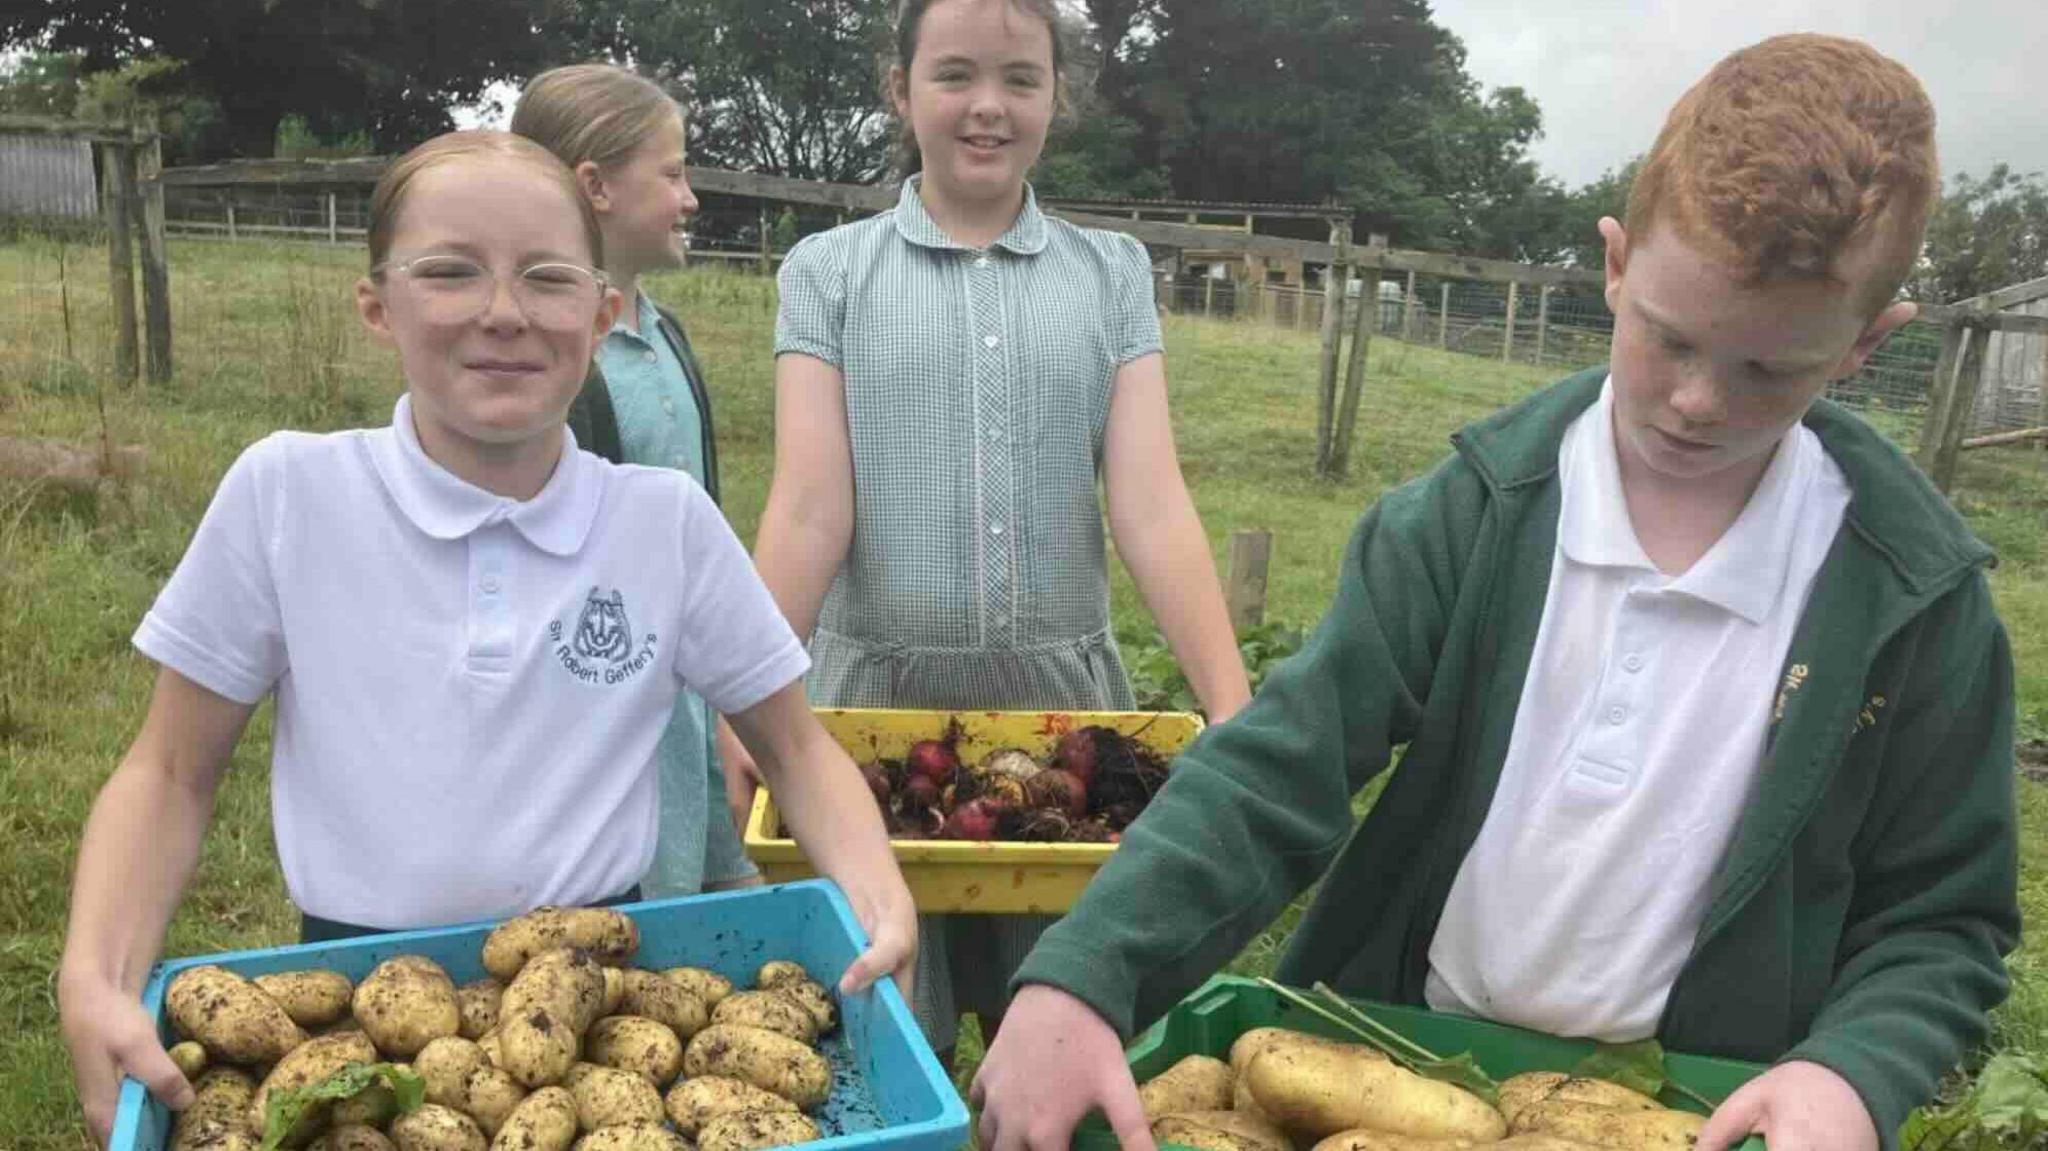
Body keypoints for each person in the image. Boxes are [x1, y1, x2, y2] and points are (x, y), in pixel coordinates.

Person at [971, 34, 2020, 1151]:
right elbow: (1279, 766)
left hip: (1692, 1115)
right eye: (1665, 338)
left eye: (1769, 370)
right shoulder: (1470, 519)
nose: (1696, 401)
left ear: (1864, 342)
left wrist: (1851, 1074)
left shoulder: (1916, 603)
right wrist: (1084, 975)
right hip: (1396, 1069)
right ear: (1615, 265)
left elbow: (1940, 919)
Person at [54, 130, 917, 1146]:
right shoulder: (288, 494)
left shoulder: (663, 522)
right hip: (354, 999)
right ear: (377, 303)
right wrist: (95, 969)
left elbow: (793, 747)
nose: (501, 312)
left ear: (601, 312)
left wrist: (878, 895)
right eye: (450, 271)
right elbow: (167, 771)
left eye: (546, 277)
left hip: (602, 999)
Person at [736, 0, 1254, 1061]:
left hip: (1068, 734)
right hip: (866, 728)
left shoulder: (1108, 275)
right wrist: (748, 703)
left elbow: (1148, 503)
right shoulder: (828, 272)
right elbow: (807, 504)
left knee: (1068, 1039)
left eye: (1020, 79)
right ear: (901, 89)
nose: (986, 106)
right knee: (877, 1039)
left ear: (1057, 97)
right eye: (954, 74)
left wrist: (1231, 701)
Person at [511, 62, 754, 900]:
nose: (690, 197)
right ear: (596, 186)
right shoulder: (553, 364)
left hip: (685, 687)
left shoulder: (668, 334)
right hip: (600, 696)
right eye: (674, 172)